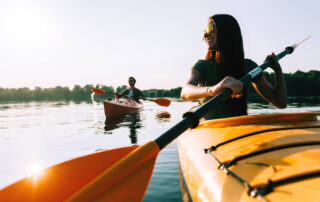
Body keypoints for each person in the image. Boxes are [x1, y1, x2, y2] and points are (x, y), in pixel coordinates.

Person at [181, 14, 287, 120]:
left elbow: (280, 103)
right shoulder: (203, 65)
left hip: (239, 128)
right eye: (205, 30)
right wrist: (213, 90)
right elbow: (185, 92)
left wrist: (278, 70)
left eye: (210, 28)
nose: (205, 34)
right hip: (210, 129)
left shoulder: (249, 67)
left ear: (227, 32)